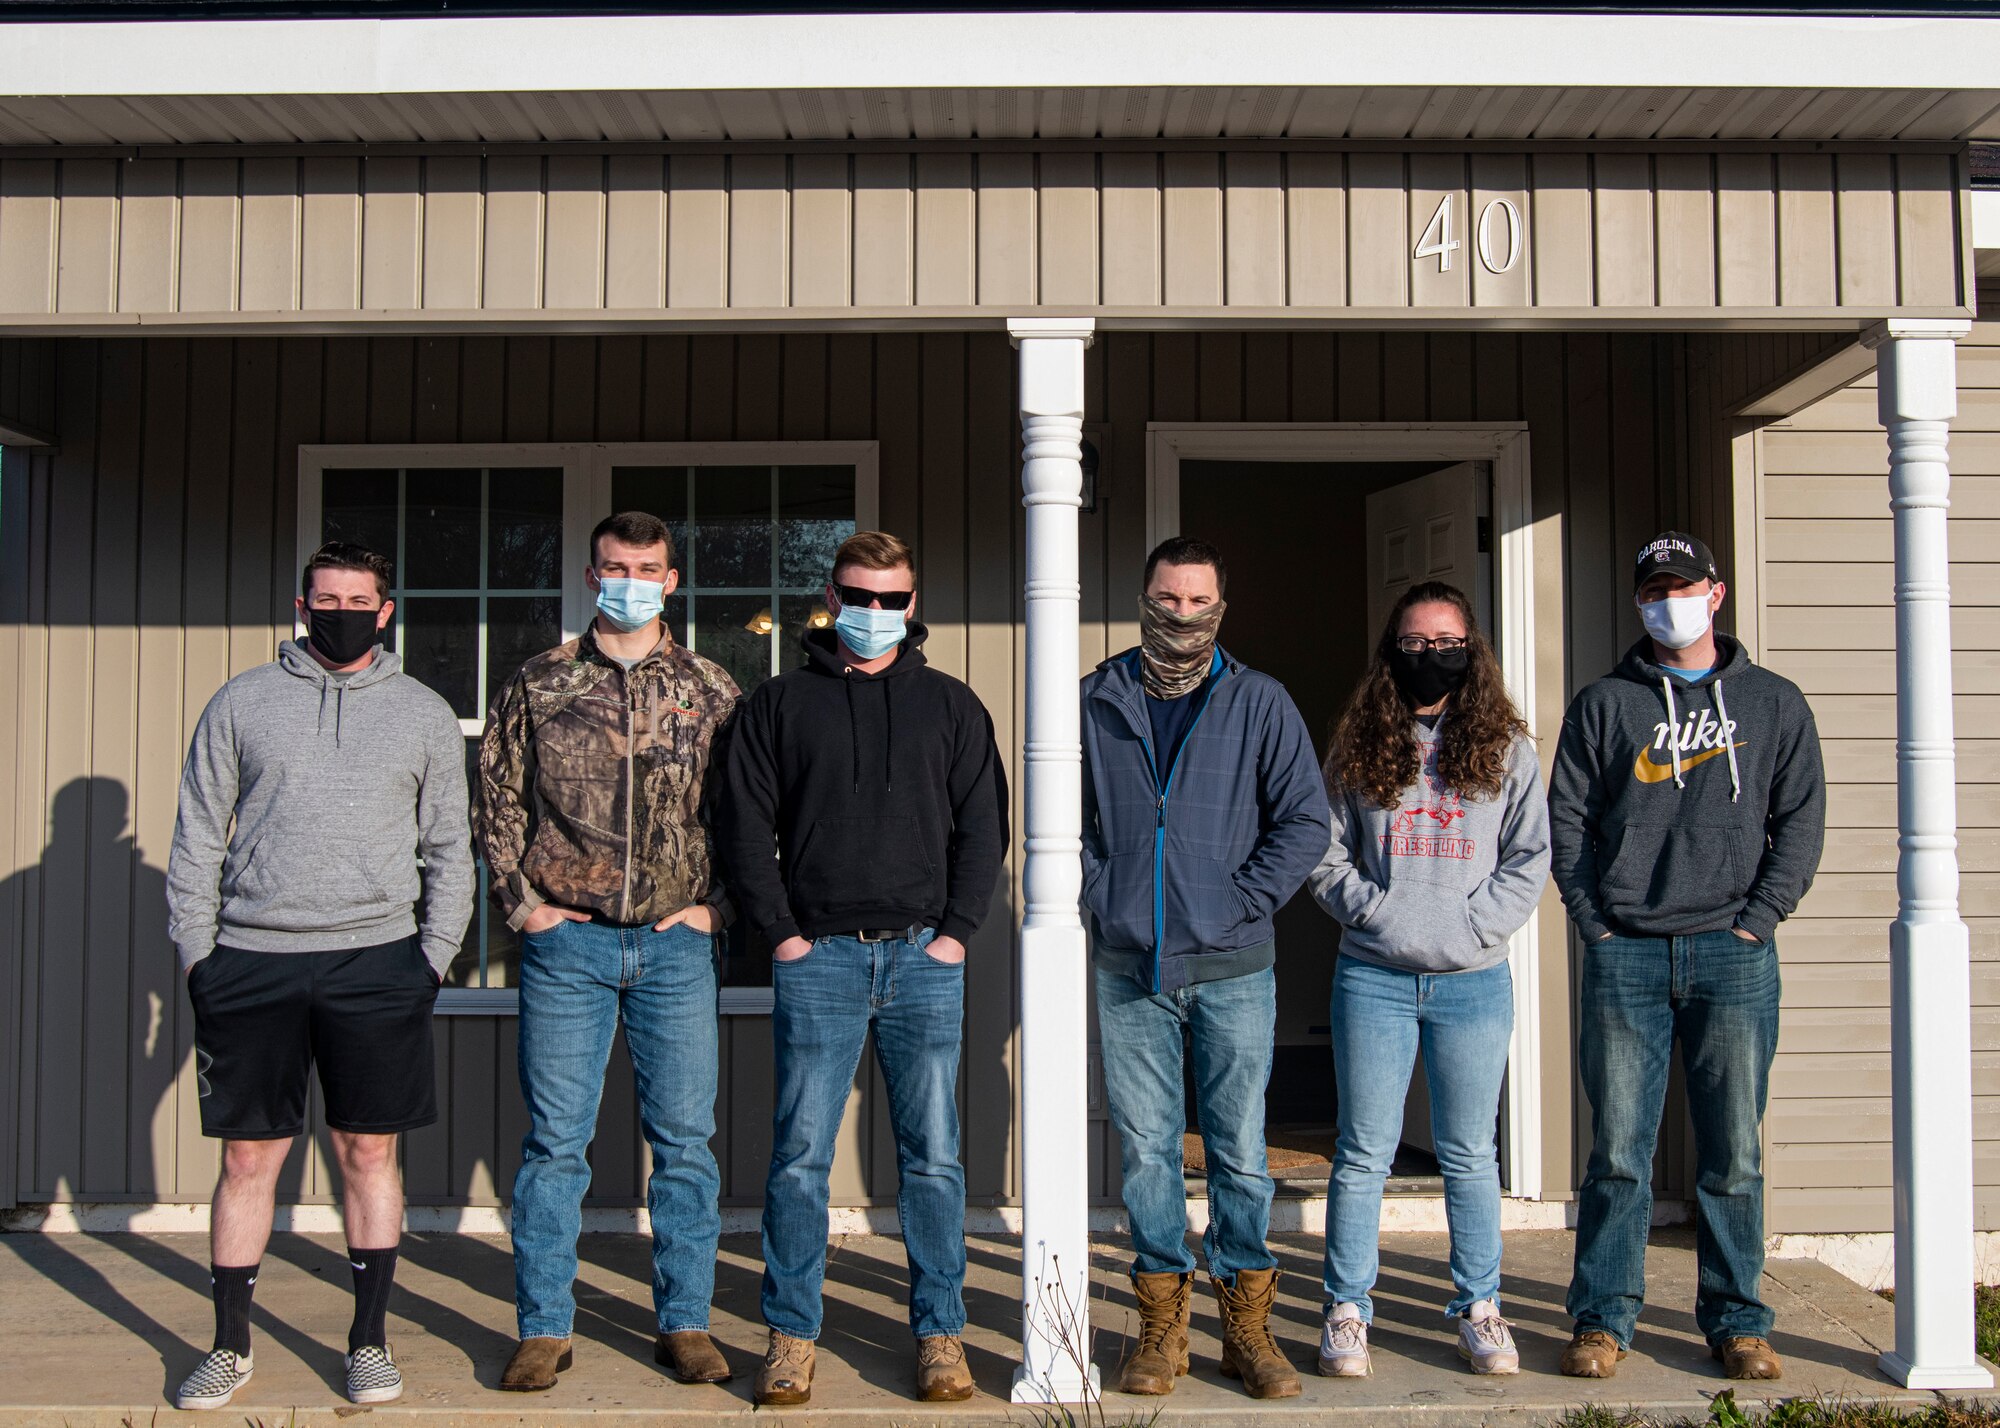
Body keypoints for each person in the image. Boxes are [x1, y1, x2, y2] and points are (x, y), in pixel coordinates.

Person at [165, 541, 474, 1411]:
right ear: (302, 606)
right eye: (323, 597)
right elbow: (197, 835)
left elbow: (452, 848)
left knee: (367, 1152)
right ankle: (229, 1347)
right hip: (252, 961)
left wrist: (429, 957)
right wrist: (200, 957)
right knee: (247, 1162)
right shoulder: (241, 703)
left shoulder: (420, 713)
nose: (339, 610)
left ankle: (368, 1341)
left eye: (358, 598)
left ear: (385, 611)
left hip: (377, 963)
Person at [714, 530, 1007, 1407]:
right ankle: (792, 1336)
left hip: (923, 957)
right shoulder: (777, 705)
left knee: (934, 1158)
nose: (873, 614)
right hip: (820, 961)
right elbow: (741, 827)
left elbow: (983, 829)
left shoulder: (952, 707)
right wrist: (783, 934)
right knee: (800, 1155)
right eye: (858, 597)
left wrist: (955, 932)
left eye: (891, 600)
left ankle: (941, 1335)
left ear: (911, 606)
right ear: (831, 598)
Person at [475, 511, 741, 1393]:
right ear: (592, 576)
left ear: (673, 580)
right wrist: (525, 907)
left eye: (649, 567)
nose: (631, 578)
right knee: (556, 1145)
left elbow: (751, 813)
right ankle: (545, 1326)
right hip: (569, 948)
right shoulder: (541, 682)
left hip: (674, 947)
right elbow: (498, 802)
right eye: (615, 565)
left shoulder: (710, 688)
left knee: (687, 1144)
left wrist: (720, 908)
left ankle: (686, 1322)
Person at [1551, 531, 1825, 1383]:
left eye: (1682, 585)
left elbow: (1802, 822)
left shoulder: (1775, 703)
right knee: (1619, 1154)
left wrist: (1759, 920)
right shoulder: (1605, 704)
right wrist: (1594, 921)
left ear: (1718, 593)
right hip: (1624, 954)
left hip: (1733, 956)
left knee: (1732, 1153)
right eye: (1652, 589)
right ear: (1639, 603)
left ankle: (1738, 1321)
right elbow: (1567, 823)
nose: (1667, 600)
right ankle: (1602, 1321)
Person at [1081, 536, 1330, 1401]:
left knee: (1239, 1152)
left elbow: (1305, 822)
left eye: (1196, 600)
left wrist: (1235, 906)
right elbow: (1067, 820)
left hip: (1232, 967)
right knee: (1148, 1151)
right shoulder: (1098, 698)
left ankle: (1246, 1327)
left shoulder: (1259, 701)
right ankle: (1161, 1329)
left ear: (1220, 605)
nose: (1179, 614)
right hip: (1129, 967)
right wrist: (1102, 890)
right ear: (1143, 595)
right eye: (1166, 598)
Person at [1308, 580, 1549, 1379]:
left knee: (1469, 1153)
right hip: (1373, 977)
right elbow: (1322, 850)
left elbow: (1529, 856)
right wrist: (1375, 914)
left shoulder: (1508, 746)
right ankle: (1348, 1310)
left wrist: (1476, 927)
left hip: (1473, 980)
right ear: (1392, 653)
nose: (1429, 655)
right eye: (1413, 643)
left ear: (1471, 648)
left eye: (1445, 642)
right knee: (1363, 1151)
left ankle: (1480, 1308)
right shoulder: (1357, 744)